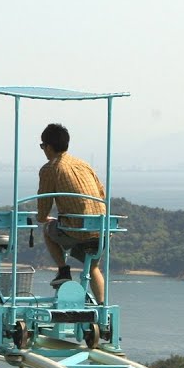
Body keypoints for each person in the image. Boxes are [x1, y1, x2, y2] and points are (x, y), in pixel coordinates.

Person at [36, 122, 106, 303]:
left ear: (49, 147)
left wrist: (43, 218)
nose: (43, 150)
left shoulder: (50, 168)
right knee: (93, 267)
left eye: (43, 146)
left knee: (48, 229)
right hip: (102, 230)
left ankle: (64, 270)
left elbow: (44, 203)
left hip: (77, 230)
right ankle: (101, 306)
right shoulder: (84, 165)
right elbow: (101, 194)